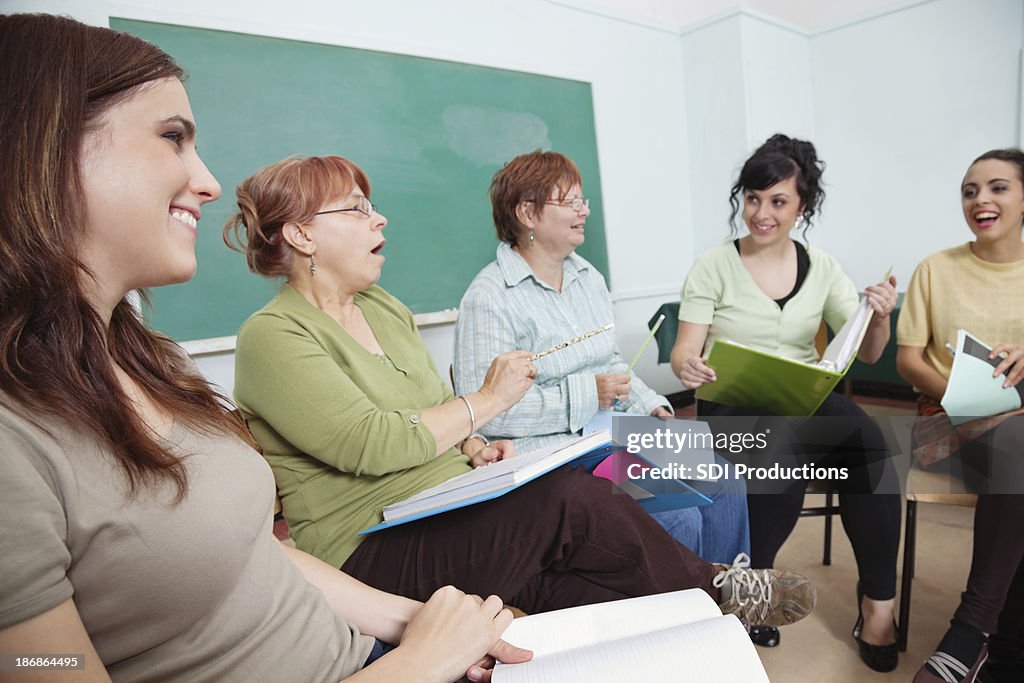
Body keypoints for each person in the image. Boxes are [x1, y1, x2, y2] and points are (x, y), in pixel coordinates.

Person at [0, 13, 533, 682]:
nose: (210, 183)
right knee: (573, 511)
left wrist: (416, 623)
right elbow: (374, 443)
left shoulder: (154, 361)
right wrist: (423, 660)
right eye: (172, 138)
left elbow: (256, 550)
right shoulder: (17, 443)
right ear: (45, 149)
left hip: (363, 646)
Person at [225, 153, 816, 626]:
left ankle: (713, 618)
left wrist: (475, 448)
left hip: (459, 499)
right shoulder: (272, 336)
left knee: (675, 513)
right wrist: (490, 403)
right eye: (356, 210)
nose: (380, 219)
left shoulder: (384, 307)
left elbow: (437, 409)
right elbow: (372, 443)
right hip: (369, 543)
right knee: (575, 498)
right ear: (301, 235)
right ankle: (717, 589)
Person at [670, 134, 903, 670]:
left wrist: (882, 316)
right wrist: (689, 366)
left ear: (803, 205)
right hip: (732, 406)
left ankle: (878, 606)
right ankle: (754, 589)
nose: (761, 212)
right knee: (779, 450)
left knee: (872, 444)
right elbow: (685, 350)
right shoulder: (713, 264)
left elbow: (867, 353)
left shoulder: (822, 266)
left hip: (800, 398)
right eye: (753, 198)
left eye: (777, 201)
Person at [452, 149, 750, 565]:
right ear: (527, 213)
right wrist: (587, 393)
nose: (583, 211)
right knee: (678, 516)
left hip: (611, 429)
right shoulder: (489, 297)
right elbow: (486, 413)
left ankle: (732, 611)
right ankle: (694, 618)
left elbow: (610, 360)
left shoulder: (586, 276)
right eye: (570, 202)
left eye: (583, 200)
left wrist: (652, 406)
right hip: (555, 451)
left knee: (724, 477)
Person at [897, 148, 1024, 683]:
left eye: (998, 188)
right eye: (971, 190)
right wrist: (961, 391)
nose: (981, 200)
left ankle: (990, 643)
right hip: (947, 419)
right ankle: (975, 632)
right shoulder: (935, 268)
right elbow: (907, 359)